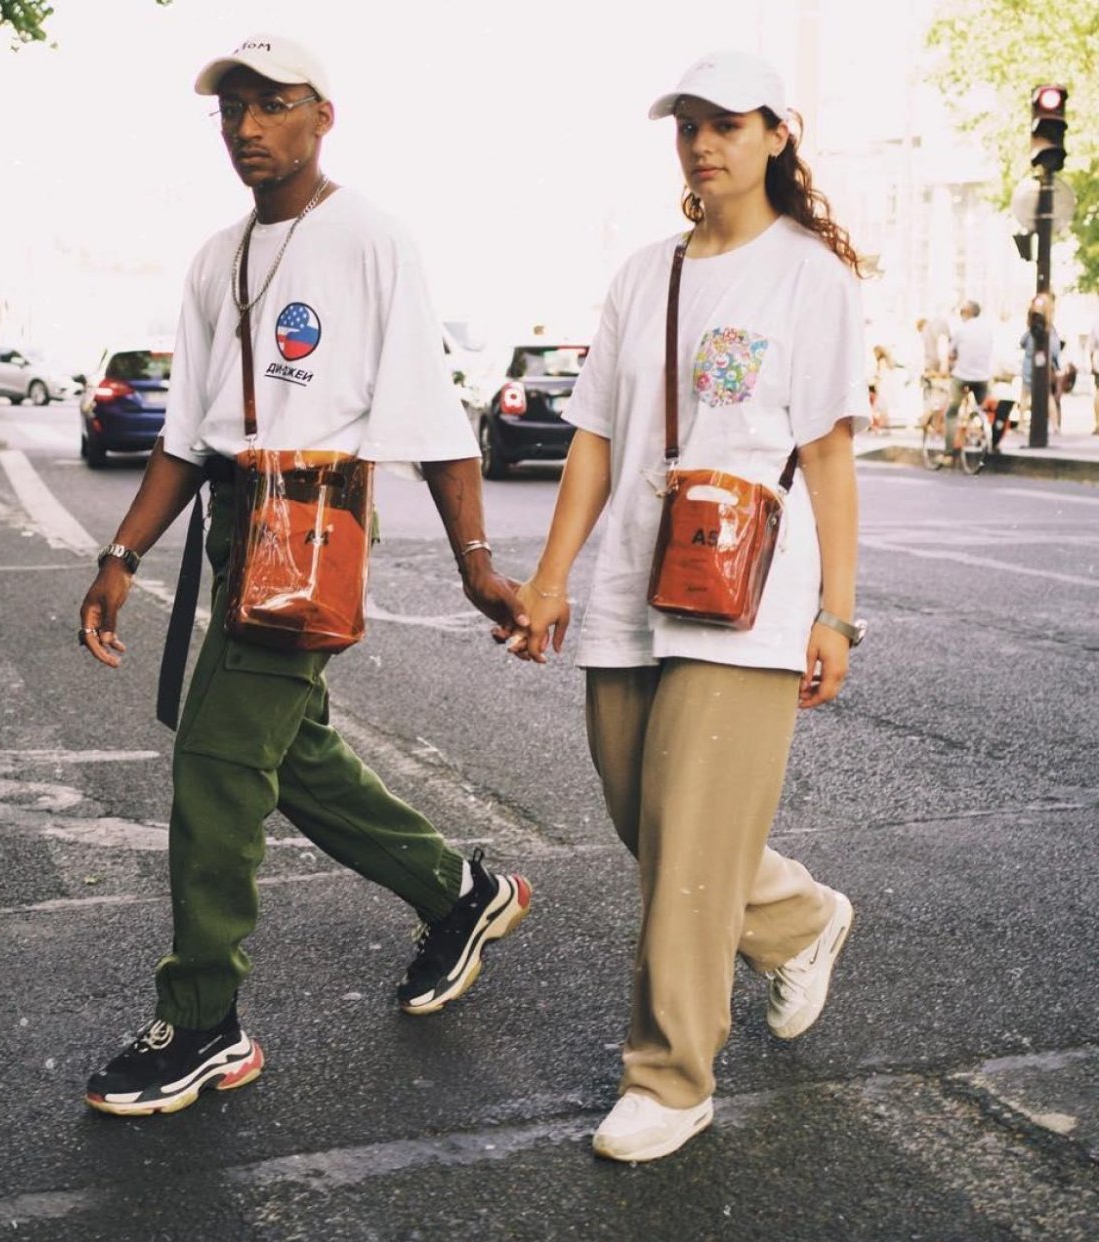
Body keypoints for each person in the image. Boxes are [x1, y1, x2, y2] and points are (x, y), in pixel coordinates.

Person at [77, 32, 533, 1117]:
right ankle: (457, 890)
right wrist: (117, 556)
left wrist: (478, 564)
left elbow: (430, 412)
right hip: (240, 524)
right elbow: (186, 435)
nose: (245, 127)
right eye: (231, 108)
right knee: (295, 758)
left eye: (271, 104)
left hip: (316, 523)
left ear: (321, 113)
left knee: (218, 764)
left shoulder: (370, 239)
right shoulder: (214, 257)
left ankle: (202, 1022)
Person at [503, 49, 867, 1164]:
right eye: (687, 126)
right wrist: (552, 574)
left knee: (694, 837)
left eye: (726, 123)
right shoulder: (643, 274)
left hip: (747, 595)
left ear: (774, 135)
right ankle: (797, 916)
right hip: (629, 583)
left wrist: (835, 613)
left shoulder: (810, 274)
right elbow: (595, 440)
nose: (703, 143)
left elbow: (827, 454)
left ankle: (669, 1075)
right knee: (648, 823)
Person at [945, 300, 993, 454]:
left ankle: (949, 451)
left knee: (952, 412)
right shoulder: (987, 331)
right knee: (983, 409)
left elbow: (951, 353)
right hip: (983, 378)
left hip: (962, 376)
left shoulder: (961, 330)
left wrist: (951, 363)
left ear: (967, 313)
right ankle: (984, 435)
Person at [1017, 293, 1061, 435]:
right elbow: (1055, 350)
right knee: (1046, 395)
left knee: (1026, 395)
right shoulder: (1050, 330)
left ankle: (1022, 425)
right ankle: (1055, 426)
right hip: (1043, 365)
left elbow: (1023, 342)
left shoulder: (1033, 330)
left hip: (1032, 364)